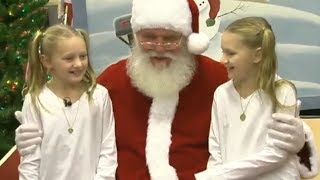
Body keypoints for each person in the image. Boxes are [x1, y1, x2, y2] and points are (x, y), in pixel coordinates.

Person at [14, 0, 316, 179]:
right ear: (135, 33)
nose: (158, 48)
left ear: (188, 38)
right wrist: (36, 136)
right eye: (149, 37)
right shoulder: (111, 82)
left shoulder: (219, 80)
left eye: (169, 38)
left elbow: (261, 116)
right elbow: (79, 135)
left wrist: (300, 139)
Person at [195, 17, 318, 180]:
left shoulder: (282, 91)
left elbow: (276, 153)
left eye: (230, 53)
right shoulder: (221, 93)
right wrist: (214, 176)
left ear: (257, 55)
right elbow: (216, 151)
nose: (222, 60)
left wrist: (217, 176)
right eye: (222, 51)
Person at [18, 24, 117, 180]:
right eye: (69, 58)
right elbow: (30, 162)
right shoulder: (35, 101)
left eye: (83, 56)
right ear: (46, 61)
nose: (78, 64)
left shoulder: (99, 96)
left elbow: (108, 151)